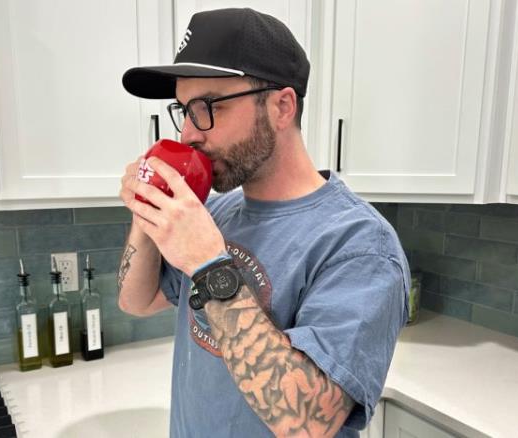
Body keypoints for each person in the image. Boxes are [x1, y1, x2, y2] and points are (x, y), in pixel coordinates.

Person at [118, 7, 409, 438]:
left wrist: (209, 266)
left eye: (208, 107)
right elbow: (136, 302)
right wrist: (149, 208)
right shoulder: (216, 215)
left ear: (281, 107)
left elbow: (309, 421)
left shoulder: (360, 245)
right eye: (184, 110)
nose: (188, 135)